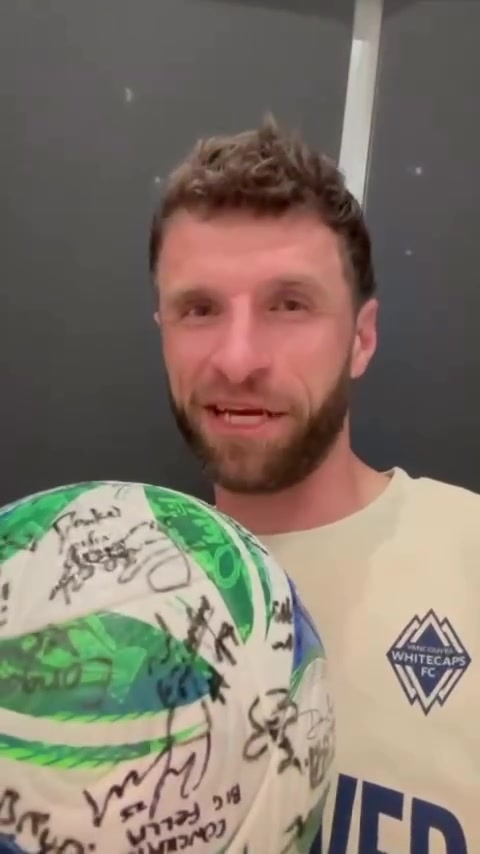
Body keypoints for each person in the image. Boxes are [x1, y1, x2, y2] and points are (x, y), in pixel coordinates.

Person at [148, 115, 478, 853]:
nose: (237, 360)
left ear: (362, 338)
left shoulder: (471, 560)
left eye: (289, 305)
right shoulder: (98, 599)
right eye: (199, 309)